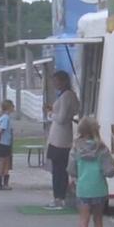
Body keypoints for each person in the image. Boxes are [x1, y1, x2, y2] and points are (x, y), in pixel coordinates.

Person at [68, 116, 114, 227]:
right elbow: (109, 171)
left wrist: (74, 178)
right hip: (99, 189)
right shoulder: (101, 148)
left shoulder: (76, 148)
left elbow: (71, 169)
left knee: (83, 220)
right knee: (98, 220)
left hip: (83, 189)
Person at [44, 71, 80, 209]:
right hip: (61, 136)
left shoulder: (66, 96)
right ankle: (60, 197)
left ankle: (59, 197)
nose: (54, 84)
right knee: (59, 169)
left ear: (63, 81)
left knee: (58, 170)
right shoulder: (70, 96)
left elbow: (61, 118)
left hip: (59, 137)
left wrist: (51, 113)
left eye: (56, 81)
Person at [0, 100, 15, 191]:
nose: (14, 107)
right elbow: (2, 129)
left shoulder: (2, 117)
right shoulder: (5, 118)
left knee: (6, 163)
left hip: (5, 143)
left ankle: (5, 183)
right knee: (2, 163)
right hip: (4, 143)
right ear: (9, 107)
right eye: (12, 106)